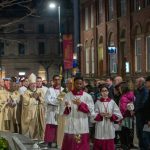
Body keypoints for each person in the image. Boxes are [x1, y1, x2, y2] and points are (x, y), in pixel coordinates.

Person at [61, 76, 94, 150]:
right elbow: (62, 111)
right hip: (71, 123)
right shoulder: (68, 95)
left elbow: (91, 110)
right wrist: (67, 107)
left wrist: (80, 104)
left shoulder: (87, 96)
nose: (79, 85)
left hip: (83, 124)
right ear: (74, 84)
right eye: (77, 83)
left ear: (83, 84)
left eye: (80, 83)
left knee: (82, 145)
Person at [92, 85, 122, 150]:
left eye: (106, 91)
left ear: (108, 92)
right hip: (100, 126)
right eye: (102, 91)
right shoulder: (97, 102)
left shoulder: (112, 102)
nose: (104, 92)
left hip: (109, 126)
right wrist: (100, 115)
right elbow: (93, 116)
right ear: (100, 92)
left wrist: (111, 116)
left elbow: (119, 115)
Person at [21, 73, 45, 140]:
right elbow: (25, 103)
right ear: (29, 84)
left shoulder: (40, 91)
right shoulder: (26, 92)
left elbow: (44, 101)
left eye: (35, 83)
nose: (34, 85)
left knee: (40, 126)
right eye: (32, 84)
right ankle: (32, 140)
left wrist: (38, 98)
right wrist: (34, 98)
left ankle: (40, 139)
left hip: (39, 113)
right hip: (31, 114)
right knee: (32, 127)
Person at [44, 75, 64, 148]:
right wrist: (57, 101)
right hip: (52, 111)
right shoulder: (49, 90)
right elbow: (47, 100)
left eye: (58, 80)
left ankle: (57, 141)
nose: (57, 81)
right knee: (51, 126)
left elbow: (64, 100)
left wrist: (59, 102)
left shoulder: (63, 90)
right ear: (53, 81)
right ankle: (49, 141)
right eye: (55, 80)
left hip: (60, 110)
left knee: (59, 126)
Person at [119, 82, 135, 149]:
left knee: (124, 133)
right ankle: (129, 144)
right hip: (130, 117)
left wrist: (119, 118)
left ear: (123, 89)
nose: (119, 89)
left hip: (124, 118)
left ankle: (125, 146)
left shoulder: (123, 97)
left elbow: (123, 109)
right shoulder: (132, 95)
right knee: (129, 132)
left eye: (120, 88)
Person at [134, 77, 148, 150]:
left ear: (140, 83)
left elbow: (143, 104)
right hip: (138, 115)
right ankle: (141, 147)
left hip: (143, 116)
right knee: (139, 134)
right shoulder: (137, 91)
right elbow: (136, 101)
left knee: (143, 134)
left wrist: (135, 110)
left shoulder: (145, 91)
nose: (135, 84)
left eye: (136, 82)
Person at [142, 76, 150, 150]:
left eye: (146, 82)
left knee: (145, 138)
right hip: (146, 120)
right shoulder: (149, 91)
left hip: (148, 121)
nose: (145, 84)